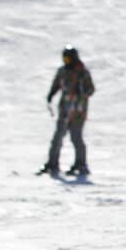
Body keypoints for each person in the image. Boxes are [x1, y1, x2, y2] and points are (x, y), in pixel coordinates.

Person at [40, 47, 94, 177]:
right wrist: (51, 95)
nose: (66, 61)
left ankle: (80, 164)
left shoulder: (82, 73)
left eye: (68, 58)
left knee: (76, 137)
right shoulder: (63, 71)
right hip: (64, 109)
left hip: (78, 112)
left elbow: (90, 89)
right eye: (64, 58)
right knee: (57, 137)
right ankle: (52, 163)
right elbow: (56, 84)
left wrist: (82, 92)